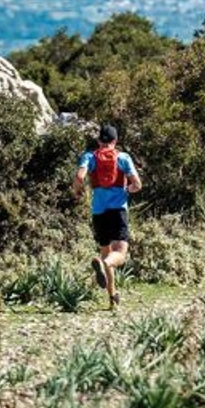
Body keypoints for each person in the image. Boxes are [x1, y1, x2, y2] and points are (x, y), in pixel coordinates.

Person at [72, 124, 142, 309]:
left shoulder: (89, 156)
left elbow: (79, 177)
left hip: (99, 212)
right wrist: (128, 189)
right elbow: (137, 184)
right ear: (115, 141)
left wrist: (77, 191)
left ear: (98, 141)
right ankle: (103, 265)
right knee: (119, 254)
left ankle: (113, 299)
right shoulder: (123, 157)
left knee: (106, 252)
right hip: (118, 210)